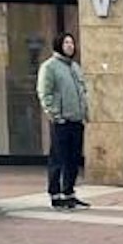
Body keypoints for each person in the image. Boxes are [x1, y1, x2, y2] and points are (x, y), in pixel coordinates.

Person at [36, 31, 90, 210]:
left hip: (76, 120)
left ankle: (69, 192)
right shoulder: (50, 67)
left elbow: (82, 91)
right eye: (66, 43)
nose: (70, 46)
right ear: (59, 45)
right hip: (61, 121)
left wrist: (84, 113)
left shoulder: (74, 67)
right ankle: (55, 194)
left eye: (72, 43)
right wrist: (55, 115)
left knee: (73, 159)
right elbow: (45, 93)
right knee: (58, 158)